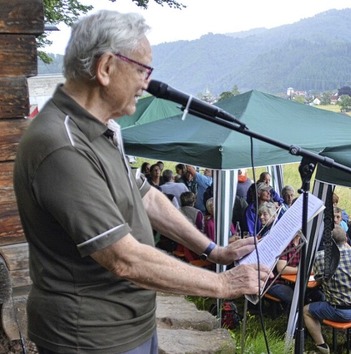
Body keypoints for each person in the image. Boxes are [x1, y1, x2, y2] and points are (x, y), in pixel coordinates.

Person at [12, 10, 269, 353]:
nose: (146, 83)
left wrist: (213, 250)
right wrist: (222, 284)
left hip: (130, 325)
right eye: (141, 70)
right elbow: (123, 258)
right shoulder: (61, 146)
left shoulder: (102, 129)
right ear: (105, 68)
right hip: (91, 338)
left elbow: (147, 197)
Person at [304, 228, 351, 354]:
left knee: (306, 311)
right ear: (346, 239)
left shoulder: (321, 257)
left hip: (340, 312)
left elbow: (318, 279)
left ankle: (322, 347)